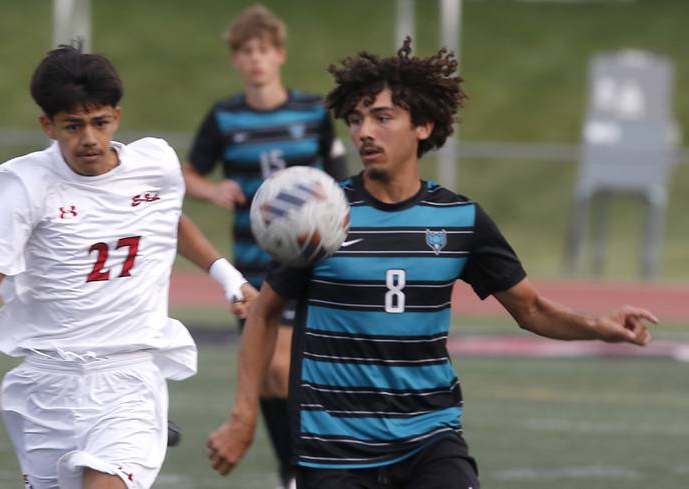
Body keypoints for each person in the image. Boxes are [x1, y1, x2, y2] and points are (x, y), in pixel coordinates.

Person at [206, 38, 658, 489]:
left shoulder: (460, 220)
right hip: (335, 450)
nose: (365, 132)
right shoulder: (323, 216)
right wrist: (243, 417)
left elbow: (531, 309)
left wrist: (600, 325)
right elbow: (264, 313)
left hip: (429, 440)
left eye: (383, 118)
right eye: (358, 119)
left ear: (423, 126)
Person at [0, 43, 256, 489]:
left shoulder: (154, 166)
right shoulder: (23, 186)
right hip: (46, 383)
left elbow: (168, 223)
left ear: (116, 116)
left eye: (99, 123)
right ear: (48, 125)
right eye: (73, 126)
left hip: (128, 377)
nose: (90, 138)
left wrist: (228, 277)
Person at [183, 5, 347, 488]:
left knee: (282, 365)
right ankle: (293, 469)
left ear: (279, 54)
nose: (255, 60)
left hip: (308, 264)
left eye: (263, 50)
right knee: (273, 375)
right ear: (236, 59)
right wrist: (211, 190)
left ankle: (302, 469)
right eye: (245, 52)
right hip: (251, 266)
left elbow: (339, 183)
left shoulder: (313, 113)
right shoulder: (225, 117)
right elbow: (190, 173)